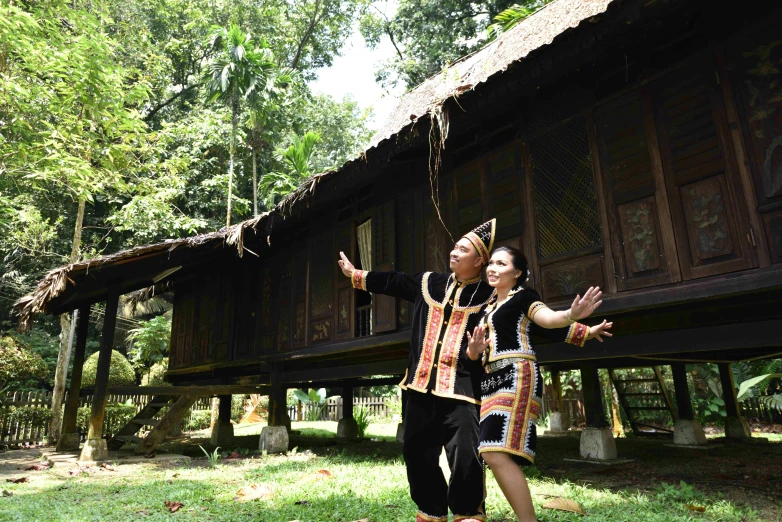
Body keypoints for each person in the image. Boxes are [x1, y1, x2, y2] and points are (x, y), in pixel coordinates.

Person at [338, 219, 498, 522]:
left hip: (462, 390)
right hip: (419, 386)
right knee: (416, 453)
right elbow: (394, 281)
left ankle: (467, 512)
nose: (453, 252)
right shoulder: (429, 283)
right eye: (454, 247)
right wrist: (356, 275)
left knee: (465, 455)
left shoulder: (490, 297)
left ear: (478, 261)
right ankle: (431, 510)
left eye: (462, 250)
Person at [466, 246, 613, 522]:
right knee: (489, 451)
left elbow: (547, 319)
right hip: (490, 381)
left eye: (501, 263)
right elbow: (472, 353)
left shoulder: (524, 297)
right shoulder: (486, 307)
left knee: (493, 451)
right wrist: (473, 350)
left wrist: (571, 314)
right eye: (491, 263)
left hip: (517, 375)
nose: (493, 268)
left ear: (517, 272)